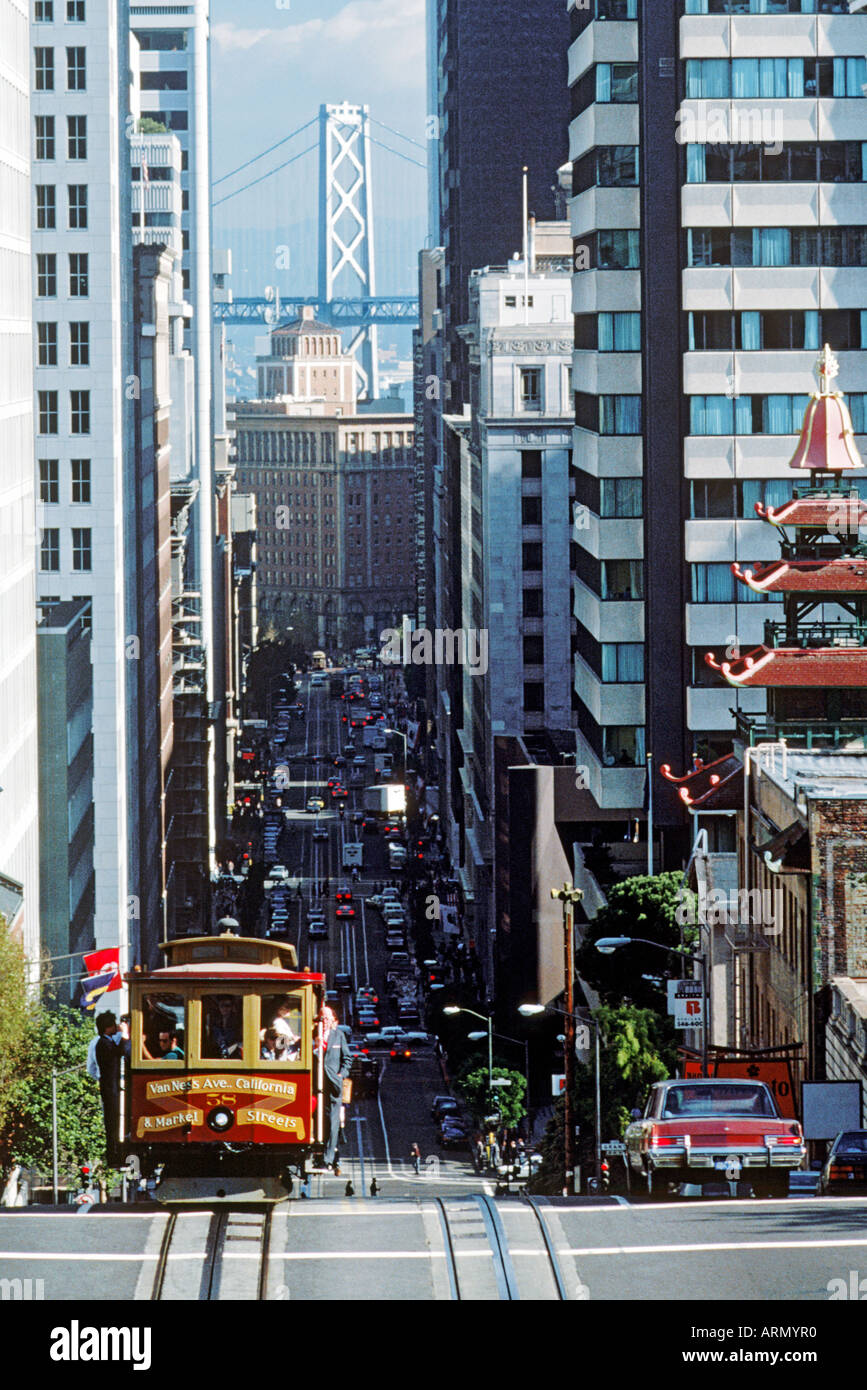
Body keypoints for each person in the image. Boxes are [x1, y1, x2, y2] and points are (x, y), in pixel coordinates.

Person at [313, 1004, 352, 1175]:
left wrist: (340, 1075)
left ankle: (328, 1159)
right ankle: (318, 1153)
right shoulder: (313, 1036)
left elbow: (347, 1059)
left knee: (332, 1121)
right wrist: (316, 1045)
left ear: (334, 1020)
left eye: (327, 1018)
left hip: (333, 1086)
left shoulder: (339, 1036)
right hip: (316, 1085)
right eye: (322, 1018)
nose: (325, 1021)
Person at [95, 1012, 122, 1165]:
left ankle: (114, 1151)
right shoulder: (104, 1044)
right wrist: (124, 1035)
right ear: (107, 1027)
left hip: (111, 1087)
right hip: (110, 1088)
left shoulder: (106, 1042)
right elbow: (118, 1053)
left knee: (113, 1120)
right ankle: (113, 1152)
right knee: (112, 1121)